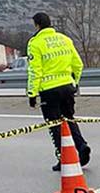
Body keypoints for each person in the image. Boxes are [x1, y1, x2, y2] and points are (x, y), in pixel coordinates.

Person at [27, 12, 89, 170]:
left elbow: (35, 71)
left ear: (37, 25)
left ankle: (63, 159)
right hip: (67, 87)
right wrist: (74, 82)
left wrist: (32, 94)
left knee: (55, 126)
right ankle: (82, 147)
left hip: (49, 90)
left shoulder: (35, 43)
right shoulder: (65, 39)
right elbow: (78, 65)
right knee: (69, 118)